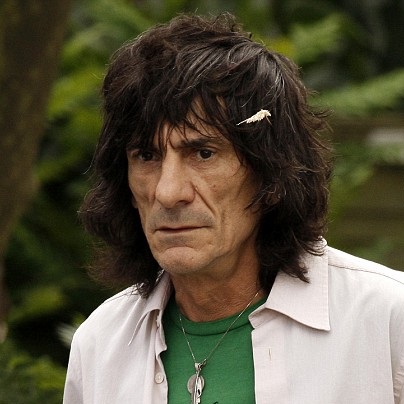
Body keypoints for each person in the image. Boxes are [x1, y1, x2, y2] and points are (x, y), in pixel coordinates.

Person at [63, 13, 404, 404]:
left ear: (271, 174)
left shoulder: (386, 322)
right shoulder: (100, 346)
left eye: (203, 153)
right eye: (146, 155)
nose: (168, 192)